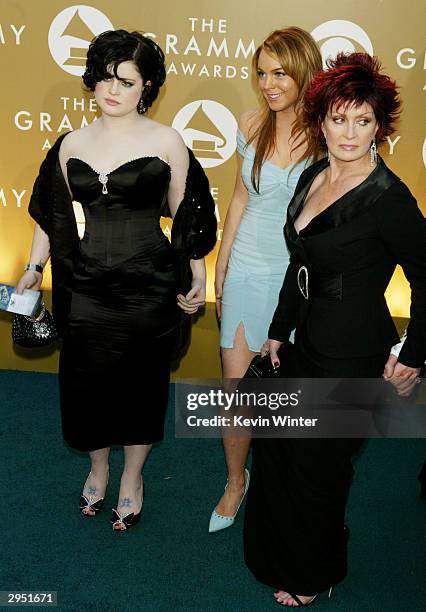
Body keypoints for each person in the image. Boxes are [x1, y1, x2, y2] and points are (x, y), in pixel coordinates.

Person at [244, 52, 426, 606]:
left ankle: (314, 570)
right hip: (300, 341)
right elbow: (300, 265)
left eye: (363, 120)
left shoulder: (390, 200)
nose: (349, 132)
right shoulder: (313, 174)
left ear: (379, 126)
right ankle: (277, 552)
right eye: (339, 118)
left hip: (350, 352)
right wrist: (278, 331)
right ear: (320, 120)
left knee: (318, 466)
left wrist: (415, 355)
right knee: (278, 451)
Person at [16, 30, 216, 531]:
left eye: (126, 81)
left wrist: (197, 272)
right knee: (87, 384)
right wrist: (34, 267)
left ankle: (132, 478)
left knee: (142, 385)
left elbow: (187, 210)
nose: (113, 90)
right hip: (84, 285)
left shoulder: (166, 140)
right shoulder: (70, 145)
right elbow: (50, 215)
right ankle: (98, 469)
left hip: (149, 283)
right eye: (106, 78)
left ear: (146, 87)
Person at [209, 27, 322, 532]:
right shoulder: (251, 123)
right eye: (261, 73)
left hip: (296, 277)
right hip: (248, 267)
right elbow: (238, 198)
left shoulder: (328, 133)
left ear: (302, 71)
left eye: (279, 73)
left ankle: (282, 489)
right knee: (237, 393)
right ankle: (236, 482)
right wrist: (221, 260)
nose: (268, 84)